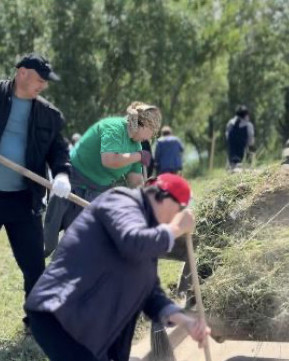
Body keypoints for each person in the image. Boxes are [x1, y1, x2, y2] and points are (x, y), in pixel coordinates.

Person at [26, 173, 210, 361]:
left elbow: (150, 295)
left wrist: (186, 321)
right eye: (179, 209)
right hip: (64, 313)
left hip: (87, 329)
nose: (176, 216)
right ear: (163, 197)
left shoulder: (147, 234)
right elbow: (133, 243)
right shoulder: (121, 201)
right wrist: (176, 228)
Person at [0, 53, 71, 330]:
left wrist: (62, 173)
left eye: (45, 82)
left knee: (34, 267)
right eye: (40, 79)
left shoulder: (49, 115)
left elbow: (59, 150)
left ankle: (37, 322)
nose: (43, 86)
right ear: (22, 73)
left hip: (23, 200)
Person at [43, 102, 161, 257]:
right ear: (143, 125)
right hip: (72, 179)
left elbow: (134, 180)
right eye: (152, 132)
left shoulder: (136, 147)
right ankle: (43, 249)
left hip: (97, 191)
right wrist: (138, 157)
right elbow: (109, 160)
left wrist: (144, 196)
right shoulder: (114, 127)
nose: (151, 137)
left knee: (78, 240)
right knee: (49, 238)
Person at [225, 105, 255, 170]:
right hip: (242, 159)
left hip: (231, 159)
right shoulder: (248, 125)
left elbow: (227, 138)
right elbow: (251, 143)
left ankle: (230, 166)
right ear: (246, 116)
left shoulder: (229, 123)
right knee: (250, 148)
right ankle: (248, 165)